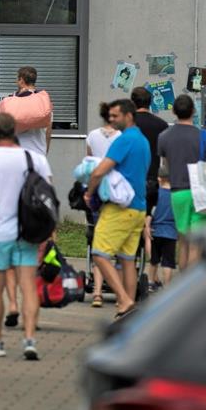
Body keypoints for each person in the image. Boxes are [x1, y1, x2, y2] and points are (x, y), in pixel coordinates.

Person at [0, 112, 52, 361]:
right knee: (28, 286)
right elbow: (48, 194)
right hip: (27, 230)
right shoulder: (35, 158)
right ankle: (29, 340)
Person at [85, 99, 151, 319]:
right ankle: (127, 312)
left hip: (120, 208)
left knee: (100, 254)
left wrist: (88, 193)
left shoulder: (124, 140)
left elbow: (99, 171)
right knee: (127, 259)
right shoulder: (142, 140)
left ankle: (124, 300)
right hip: (139, 208)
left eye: (115, 116)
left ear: (129, 115)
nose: (111, 120)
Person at [157, 94, 206, 268]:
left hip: (178, 193)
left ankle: (183, 288)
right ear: (193, 111)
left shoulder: (164, 137)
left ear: (174, 111)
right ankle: (193, 288)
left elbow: (166, 167)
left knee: (183, 243)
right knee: (196, 246)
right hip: (202, 194)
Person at [84, 101, 121, 306]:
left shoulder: (91, 136)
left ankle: (97, 292)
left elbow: (88, 162)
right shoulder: (122, 137)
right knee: (118, 243)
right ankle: (119, 291)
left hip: (98, 190)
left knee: (98, 241)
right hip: (117, 192)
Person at [130, 86, 169, 213]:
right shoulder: (162, 125)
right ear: (150, 102)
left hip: (131, 178)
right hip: (153, 179)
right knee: (149, 217)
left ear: (132, 103)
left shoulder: (128, 124)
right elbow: (165, 156)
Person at [0, 66, 53, 156]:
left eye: (17, 79)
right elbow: (48, 130)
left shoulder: (11, 101)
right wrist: (45, 150)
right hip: (38, 151)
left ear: (21, 80)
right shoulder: (43, 101)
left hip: (16, 152)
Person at [148, 177, 177, 290]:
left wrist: (148, 226)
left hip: (156, 230)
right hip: (171, 232)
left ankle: (150, 282)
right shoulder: (174, 195)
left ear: (159, 179)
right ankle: (167, 287)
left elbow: (151, 212)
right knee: (168, 262)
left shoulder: (156, 194)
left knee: (154, 260)